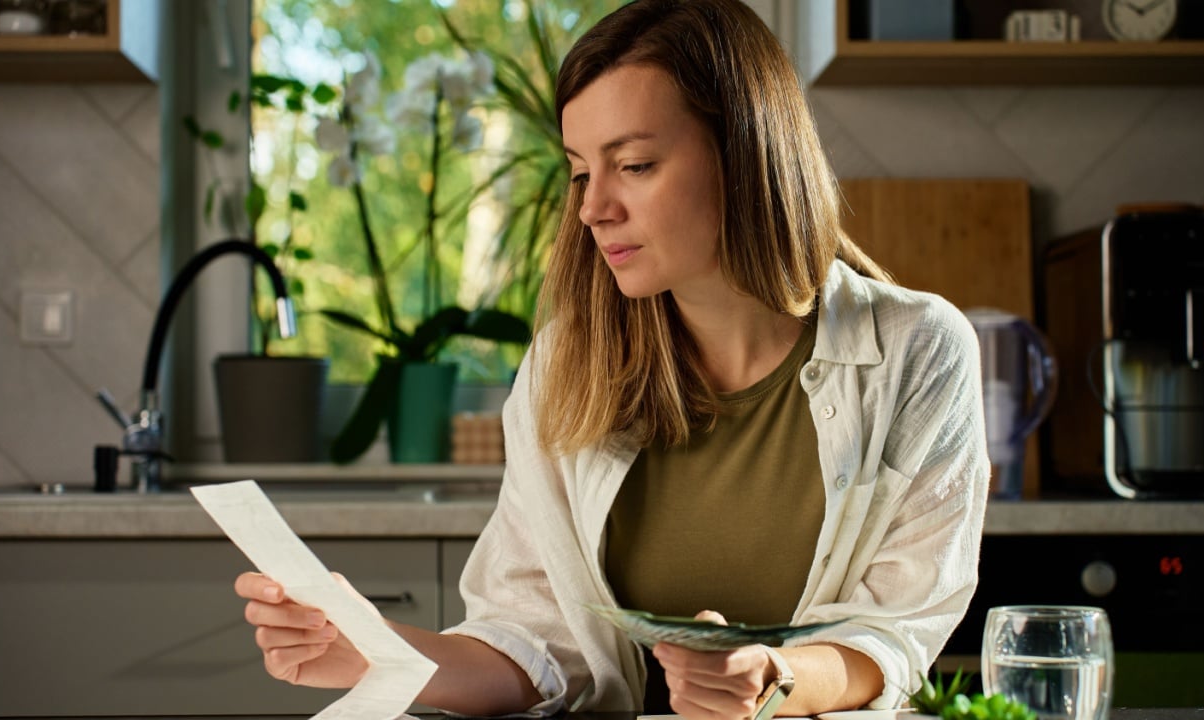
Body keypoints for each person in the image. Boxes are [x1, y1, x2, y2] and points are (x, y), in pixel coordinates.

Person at [234, 0, 990, 717]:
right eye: (580, 172)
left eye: (632, 165)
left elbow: (894, 634)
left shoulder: (916, 350)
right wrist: (378, 651)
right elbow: (538, 646)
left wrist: (773, 680)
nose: (594, 207)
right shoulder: (567, 362)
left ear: (746, 154)